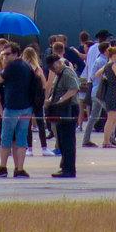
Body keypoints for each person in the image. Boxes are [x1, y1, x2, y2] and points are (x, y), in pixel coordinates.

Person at [0, 45, 41, 179]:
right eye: (3, 54)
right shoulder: (27, 66)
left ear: (15, 54)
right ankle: (19, 169)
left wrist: (1, 69)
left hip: (12, 107)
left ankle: (3, 168)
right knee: (21, 139)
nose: (4, 56)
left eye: (7, 54)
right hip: (27, 107)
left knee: (6, 138)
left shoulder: (11, 66)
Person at [45, 49, 83, 179]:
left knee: (67, 141)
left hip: (68, 108)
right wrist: (50, 100)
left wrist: (61, 100)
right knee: (61, 139)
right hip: (61, 108)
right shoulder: (59, 74)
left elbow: (74, 88)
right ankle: (64, 166)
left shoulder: (67, 72)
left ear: (58, 63)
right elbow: (57, 90)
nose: (53, 70)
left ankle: (69, 169)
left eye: (53, 67)